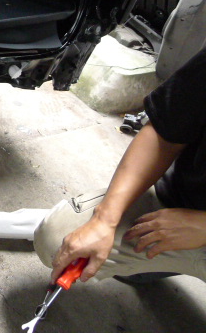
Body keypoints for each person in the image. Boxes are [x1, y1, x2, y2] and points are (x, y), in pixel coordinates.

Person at [34, 48, 206, 284]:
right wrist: (104, 220)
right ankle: (155, 265)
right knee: (57, 242)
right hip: (178, 200)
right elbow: (165, 132)